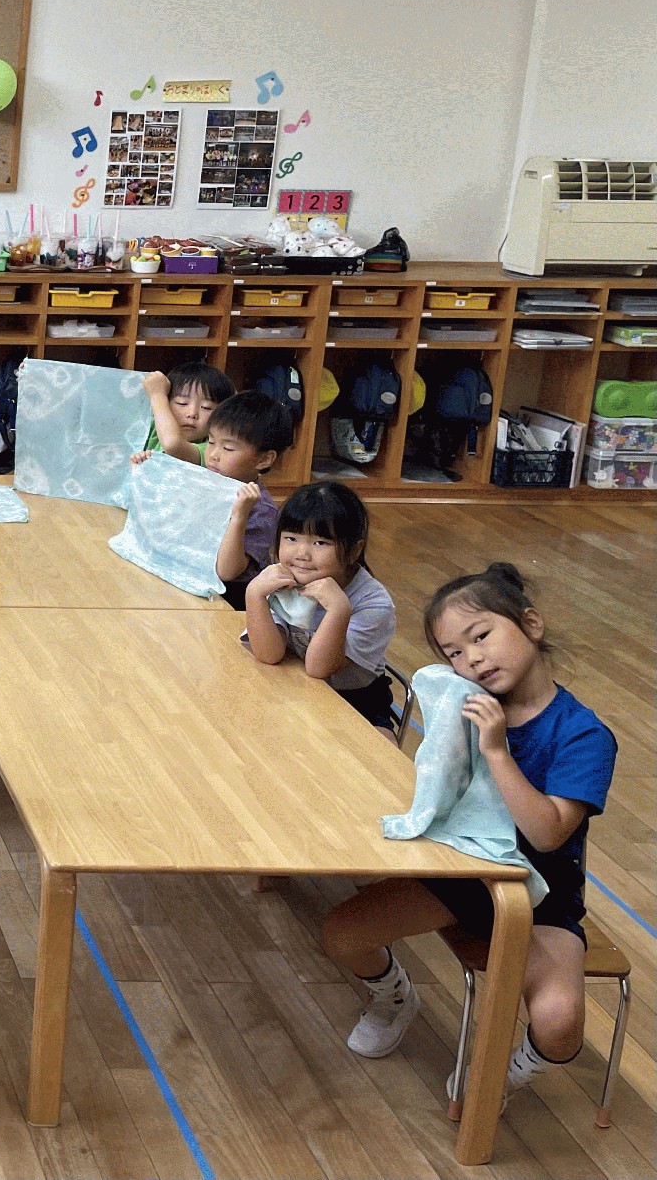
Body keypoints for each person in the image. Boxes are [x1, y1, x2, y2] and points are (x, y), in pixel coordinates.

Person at [319, 563, 615, 1105]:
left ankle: (507, 1072)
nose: (472, 659)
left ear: (531, 624)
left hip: (540, 897)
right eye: (454, 652)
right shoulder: (464, 703)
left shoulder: (584, 735)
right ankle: (394, 998)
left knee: (560, 1022)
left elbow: (547, 834)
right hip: (458, 874)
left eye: (481, 636)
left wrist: (497, 752)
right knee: (342, 935)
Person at [244, 481, 397, 728]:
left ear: (353, 550)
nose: (302, 554)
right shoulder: (280, 579)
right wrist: (254, 595)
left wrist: (338, 611)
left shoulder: (373, 604)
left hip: (356, 703)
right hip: (294, 687)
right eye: (291, 538)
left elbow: (319, 669)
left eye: (320, 543)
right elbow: (268, 654)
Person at [143, 389, 292, 610]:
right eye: (211, 442)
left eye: (228, 448)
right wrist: (147, 471)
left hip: (228, 601)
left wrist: (239, 516)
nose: (213, 454)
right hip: (190, 581)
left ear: (264, 459)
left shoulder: (262, 510)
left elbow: (227, 572)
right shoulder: (208, 480)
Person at [141, 362, 235, 454]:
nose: (192, 414)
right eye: (182, 403)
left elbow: (173, 445)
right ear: (167, 403)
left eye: (206, 407)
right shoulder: (149, 428)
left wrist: (157, 395)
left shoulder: (211, 451)